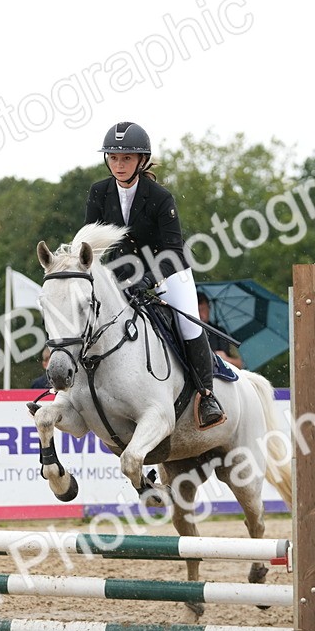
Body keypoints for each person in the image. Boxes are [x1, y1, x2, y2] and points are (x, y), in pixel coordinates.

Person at [84, 121, 225, 429]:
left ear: (142, 160)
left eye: (127, 158)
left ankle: (207, 395)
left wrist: (149, 279)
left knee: (188, 323)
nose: (119, 165)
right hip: (122, 273)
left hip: (169, 270)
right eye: (113, 157)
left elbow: (173, 250)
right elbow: (90, 246)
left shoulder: (160, 197)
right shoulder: (99, 192)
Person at [196, 292, 243, 369]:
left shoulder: (221, 333)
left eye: (202, 309)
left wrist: (226, 359)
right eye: (197, 310)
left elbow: (239, 363)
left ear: (209, 308)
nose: (200, 314)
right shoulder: (188, 333)